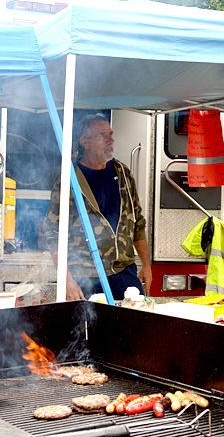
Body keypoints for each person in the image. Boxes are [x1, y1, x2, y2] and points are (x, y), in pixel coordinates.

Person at [44, 112, 152, 300]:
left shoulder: (123, 173)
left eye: (111, 134)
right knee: (88, 329)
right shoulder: (69, 178)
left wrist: (147, 266)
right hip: (86, 278)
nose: (111, 140)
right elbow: (53, 232)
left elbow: (138, 223)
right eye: (103, 135)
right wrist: (67, 280)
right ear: (85, 142)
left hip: (124, 274)